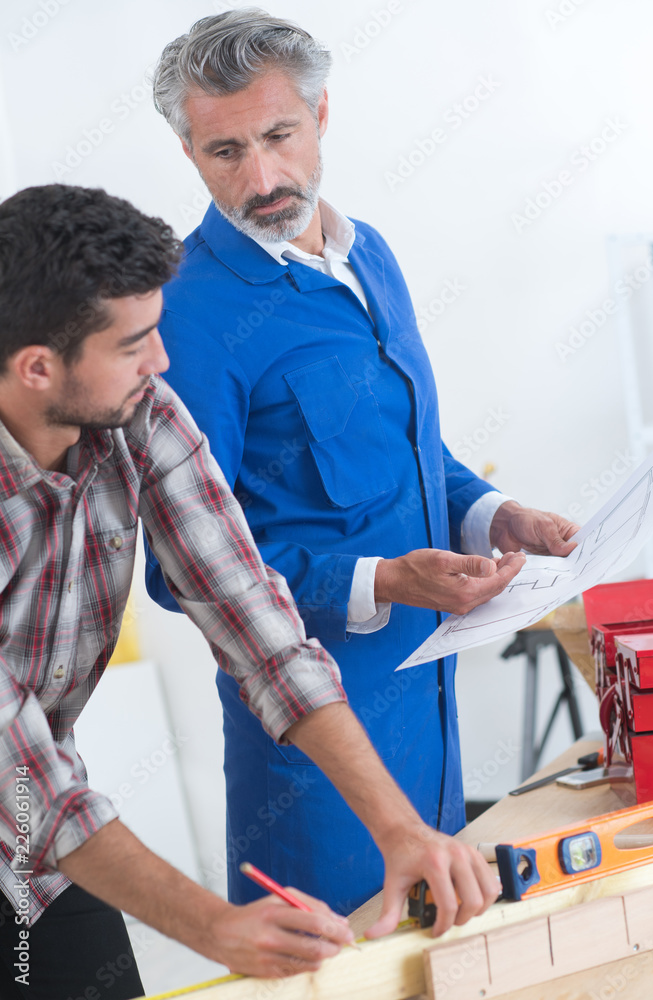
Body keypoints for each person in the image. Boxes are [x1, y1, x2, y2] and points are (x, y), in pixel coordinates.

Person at [0, 184, 505, 1000]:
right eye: (134, 346)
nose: (162, 363)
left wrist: (399, 831)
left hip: (31, 830)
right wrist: (212, 925)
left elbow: (257, 624)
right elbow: (16, 769)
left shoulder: (138, 411)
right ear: (37, 369)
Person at [146, 6, 579, 921]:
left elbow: (416, 455)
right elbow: (178, 571)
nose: (261, 178)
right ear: (188, 152)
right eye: (225, 152)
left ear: (322, 116)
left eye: (277, 135)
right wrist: (385, 577)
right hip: (310, 754)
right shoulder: (188, 314)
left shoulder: (368, 254)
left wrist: (492, 514)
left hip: (431, 706)